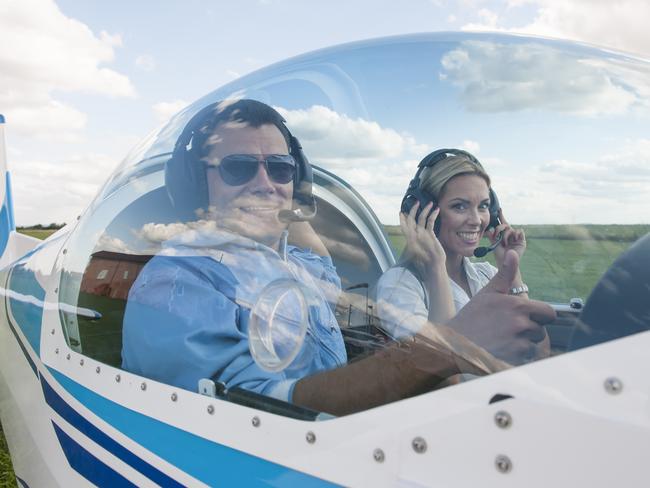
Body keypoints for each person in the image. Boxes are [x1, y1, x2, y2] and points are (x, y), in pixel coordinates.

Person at [122, 101, 555, 417]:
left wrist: (288, 206)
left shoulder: (302, 267)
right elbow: (261, 416)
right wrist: (450, 345)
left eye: (280, 169)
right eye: (238, 168)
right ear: (196, 181)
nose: (265, 182)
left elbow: (317, 253)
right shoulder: (178, 284)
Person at [376, 149, 549, 365]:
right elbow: (443, 372)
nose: (476, 220)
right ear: (423, 212)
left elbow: (538, 353)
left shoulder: (486, 275)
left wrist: (510, 266)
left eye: (483, 206)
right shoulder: (399, 287)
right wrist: (436, 268)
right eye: (460, 206)